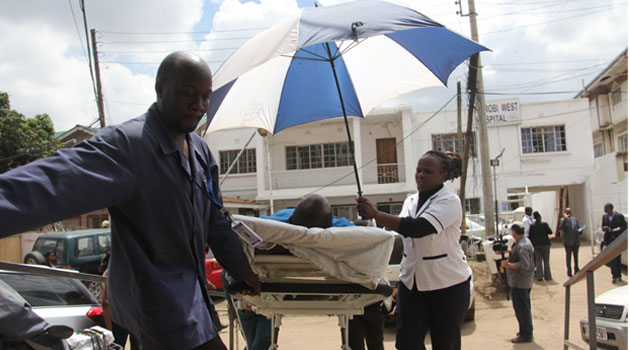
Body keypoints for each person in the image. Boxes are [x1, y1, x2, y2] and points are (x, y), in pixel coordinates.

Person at [0, 51, 260, 350]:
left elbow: (216, 222)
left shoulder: (201, 153)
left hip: (194, 302)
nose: (199, 106)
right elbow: (48, 184)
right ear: (160, 88)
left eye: (205, 96)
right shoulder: (128, 146)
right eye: (188, 94)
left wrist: (243, 272)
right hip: (156, 309)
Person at [356, 150, 471, 350]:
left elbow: (418, 228)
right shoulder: (410, 201)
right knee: (407, 344)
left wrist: (376, 212)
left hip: (447, 286)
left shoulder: (450, 201)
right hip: (412, 286)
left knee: (445, 344)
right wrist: (370, 216)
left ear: (443, 175)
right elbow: (400, 229)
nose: (421, 175)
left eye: (428, 171)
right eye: (419, 170)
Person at [501, 223, 535, 343]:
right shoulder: (522, 242)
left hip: (521, 282)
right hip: (519, 281)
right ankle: (524, 330)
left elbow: (525, 265)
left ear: (515, 231)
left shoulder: (523, 245)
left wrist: (508, 265)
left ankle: (526, 334)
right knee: (522, 308)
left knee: (522, 309)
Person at [602, 203, 627, 283]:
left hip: (617, 240)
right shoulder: (605, 217)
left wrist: (613, 229)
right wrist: (605, 228)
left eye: (605, 207)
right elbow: (603, 227)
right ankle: (614, 276)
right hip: (609, 240)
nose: (604, 209)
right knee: (611, 259)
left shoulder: (619, 216)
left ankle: (619, 275)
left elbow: (623, 227)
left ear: (610, 208)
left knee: (617, 258)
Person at [529, 211, 552, 281]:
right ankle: (548, 277)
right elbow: (550, 232)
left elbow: (530, 235)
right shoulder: (544, 224)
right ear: (540, 217)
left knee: (538, 261)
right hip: (545, 244)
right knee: (546, 261)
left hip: (536, 245)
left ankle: (540, 276)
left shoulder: (532, 226)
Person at [559, 207, 581, 277]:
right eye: (567, 212)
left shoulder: (575, 219)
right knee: (568, 256)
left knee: (576, 256)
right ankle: (569, 271)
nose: (569, 214)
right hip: (568, 241)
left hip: (576, 240)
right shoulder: (562, 220)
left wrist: (580, 230)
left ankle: (576, 269)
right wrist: (564, 220)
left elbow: (577, 227)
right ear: (564, 213)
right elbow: (561, 228)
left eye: (570, 212)